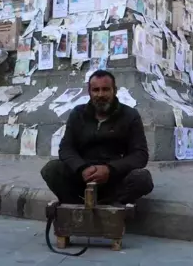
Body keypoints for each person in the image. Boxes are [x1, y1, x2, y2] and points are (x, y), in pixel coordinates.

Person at [41, 70, 153, 205]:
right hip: (83, 178)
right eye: (96, 90)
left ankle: (107, 206)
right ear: (89, 92)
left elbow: (140, 155)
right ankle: (76, 206)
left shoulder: (130, 115)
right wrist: (81, 168)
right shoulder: (78, 114)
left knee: (142, 179)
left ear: (114, 91)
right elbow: (66, 148)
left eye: (106, 89)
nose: (100, 95)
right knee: (51, 170)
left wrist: (109, 169)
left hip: (114, 179)